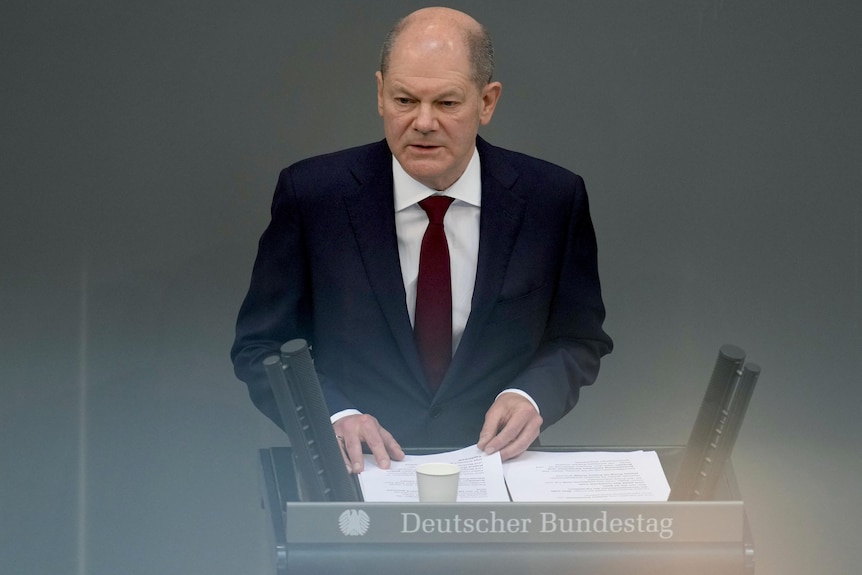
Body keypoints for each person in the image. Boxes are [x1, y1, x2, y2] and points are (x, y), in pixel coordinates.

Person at [231, 7, 612, 473]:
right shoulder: (313, 195)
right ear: (379, 94)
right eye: (405, 100)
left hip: (495, 475)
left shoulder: (551, 199)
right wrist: (333, 414)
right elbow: (261, 347)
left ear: (487, 102)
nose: (423, 122)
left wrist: (531, 395)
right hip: (362, 473)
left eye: (447, 103)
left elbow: (577, 338)